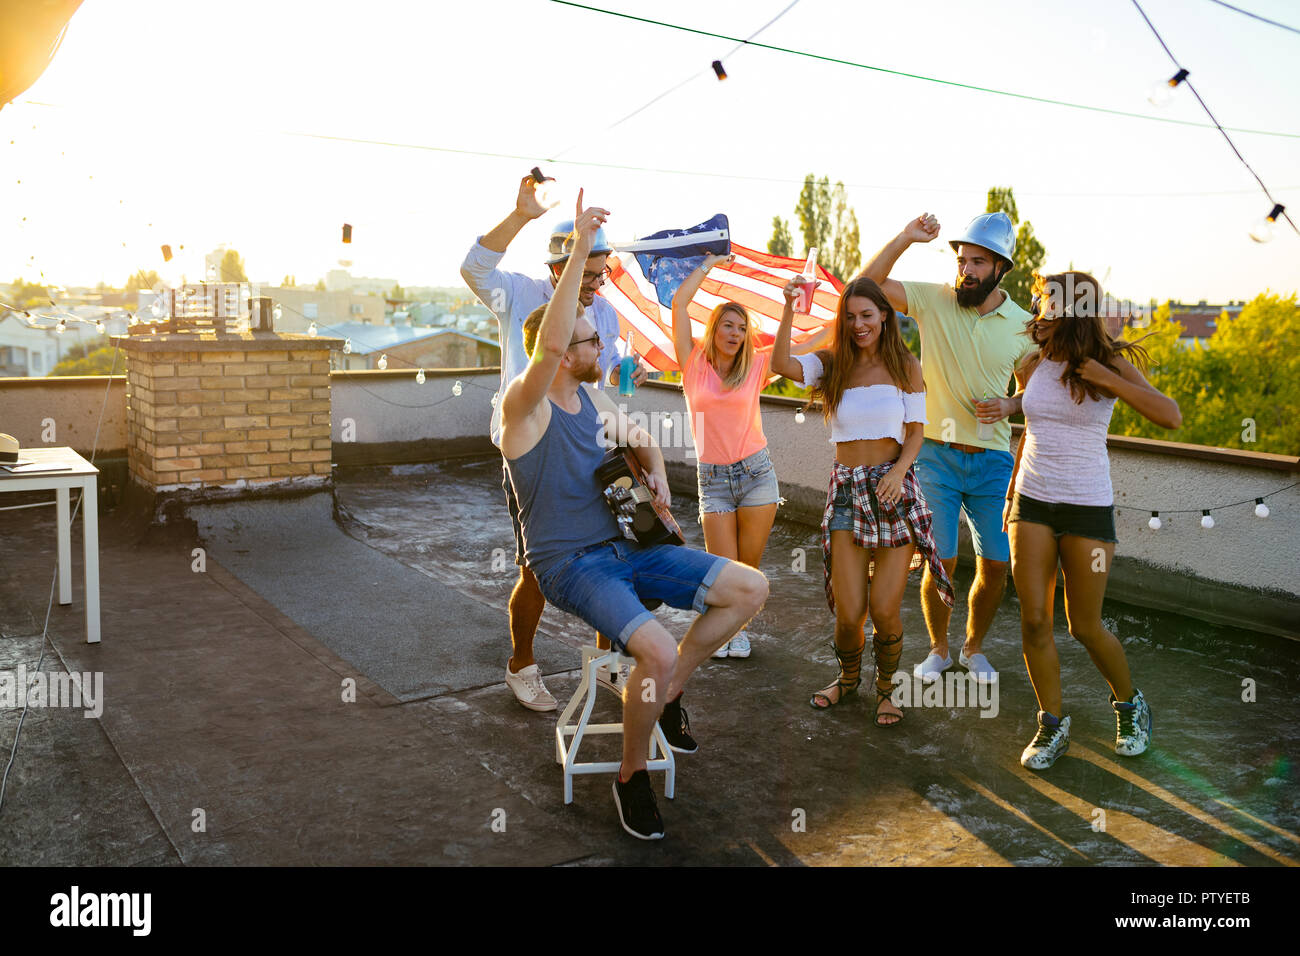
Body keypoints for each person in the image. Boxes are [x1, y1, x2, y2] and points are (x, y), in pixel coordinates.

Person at [501, 195, 768, 839]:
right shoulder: (522, 411)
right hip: (572, 563)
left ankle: (669, 693)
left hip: (630, 547)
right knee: (653, 646)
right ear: (563, 352)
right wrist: (579, 247)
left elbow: (640, 432)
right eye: (589, 338)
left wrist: (652, 473)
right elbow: (549, 344)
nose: (601, 341)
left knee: (750, 589)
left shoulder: (594, 402)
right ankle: (630, 778)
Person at [461, 175, 648, 711]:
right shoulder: (519, 293)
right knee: (537, 567)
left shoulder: (605, 314)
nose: (595, 283)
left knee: (614, 552)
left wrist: (628, 441)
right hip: (533, 450)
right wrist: (520, 215)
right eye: (585, 272)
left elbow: (599, 384)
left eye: (600, 273)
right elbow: (473, 268)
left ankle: (607, 663)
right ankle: (521, 665)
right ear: (556, 267)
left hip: (589, 445)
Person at [995, 272, 1179, 770]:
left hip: (1087, 507)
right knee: (1034, 619)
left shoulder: (1107, 362)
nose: (1038, 308)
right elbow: (1030, 432)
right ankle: (1051, 725)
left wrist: (1110, 380)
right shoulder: (1033, 364)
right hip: (1032, 503)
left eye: (1046, 301)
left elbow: (1170, 415)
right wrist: (1011, 497)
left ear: (1073, 308)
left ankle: (1129, 703)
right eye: (1038, 300)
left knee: (1084, 625)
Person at [859, 212, 1036, 688]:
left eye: (977, 261)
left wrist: (1012, 402)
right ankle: (938, 648)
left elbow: (1036, 396)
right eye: (962, 260)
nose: (966, 270)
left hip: (994, 461)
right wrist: (905, 238)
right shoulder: (934, 299)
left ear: (1001, 268)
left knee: (997, 564)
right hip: (934, 454)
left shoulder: (1025, 325)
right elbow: (865, 286)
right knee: (942, 560)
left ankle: (973, 648)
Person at [771, 275, 953, 726]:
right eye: (849, 317)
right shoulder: (833, 363)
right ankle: (847, 679)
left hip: (894, 489)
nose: (858, 325)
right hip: (847, 490)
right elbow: (780, 364)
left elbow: (915, 433)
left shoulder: (906, 366)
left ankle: (887, 690)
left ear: (885, 316)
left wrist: (896, 471)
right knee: (850, 612)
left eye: (867, 315)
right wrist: (789, 306)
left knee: (884, 608)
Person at [669, 254, 830, 659]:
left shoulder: (756, 366)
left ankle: (737, 633)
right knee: (724, 570)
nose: (735, 333)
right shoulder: (692, 363)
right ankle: (723, 629)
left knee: (748, 568)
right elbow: (679, 304)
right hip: (714, 480)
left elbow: (805, 345)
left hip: (757, 474)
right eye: (729, 325)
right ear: (715, 327)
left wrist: (833, 317)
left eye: (742, 328)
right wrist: (709, 263)